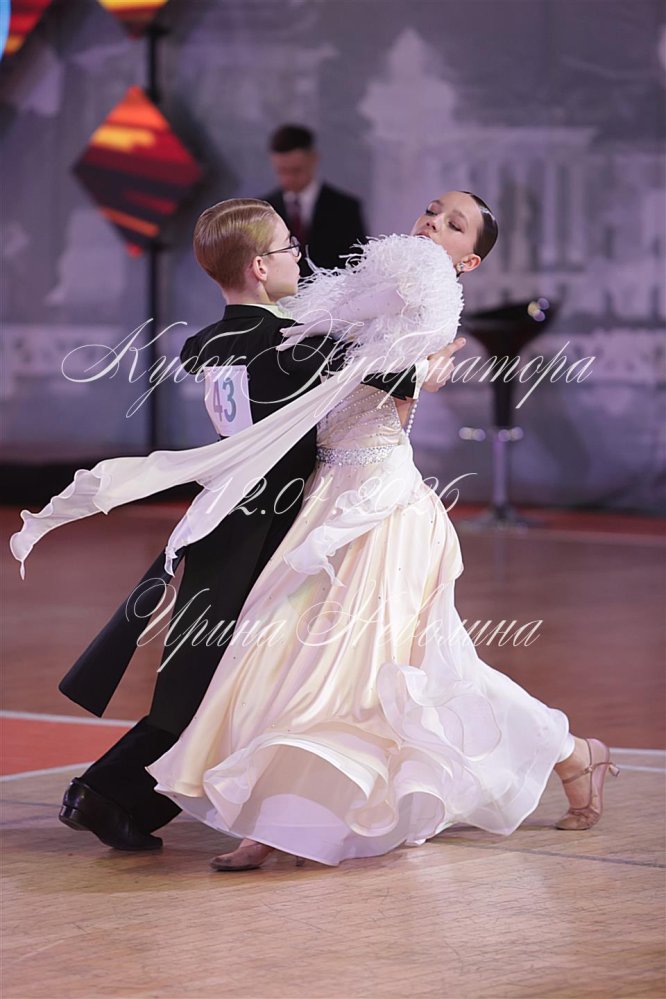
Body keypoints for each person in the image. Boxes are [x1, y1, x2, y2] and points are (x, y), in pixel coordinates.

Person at [139, 191, 621, 871]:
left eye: (454, 225)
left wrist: (418, 371)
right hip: (324, 494)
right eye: (432, 211)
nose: (433, 223)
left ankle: (285, 820)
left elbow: (380, 372)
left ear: (469, 260)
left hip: (380, 502)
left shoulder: (428, 294)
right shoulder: (369, 285)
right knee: (290, 651)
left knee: (357, 668)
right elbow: (317, 355)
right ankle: (279, 813)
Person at [10, 199, 458, 853]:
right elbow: (398, 376)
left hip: (222, 518)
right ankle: (102, 792)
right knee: (212, 683)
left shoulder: (211, 343)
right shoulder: (289, 344)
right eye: (287, 247)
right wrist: (433, 356)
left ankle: (118, 798)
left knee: (208, 677)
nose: (299, 255)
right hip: (260, 531)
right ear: (259, 267)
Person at [263, 124, 367, 276]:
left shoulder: (345, 209)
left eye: (296, 170)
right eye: (281, 171)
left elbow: (357, 266)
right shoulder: (263, 211)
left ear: (313, 159)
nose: (288, 179)